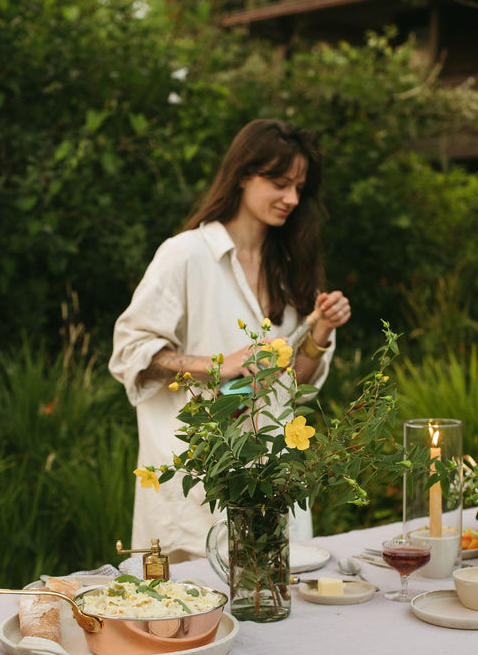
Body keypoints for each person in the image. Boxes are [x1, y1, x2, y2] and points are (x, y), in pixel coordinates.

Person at [109, 118, 351, 561]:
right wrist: (219, 365)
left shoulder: (289, 265)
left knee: (279, 618)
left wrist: (320, 333)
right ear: (243, 175)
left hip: (274, 484)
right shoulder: (185, 254)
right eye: (280, 183)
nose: (292, 199)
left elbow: (292, 381)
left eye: (299, 187)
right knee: (194, 621)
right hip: (195, 492)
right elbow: (131, 352)